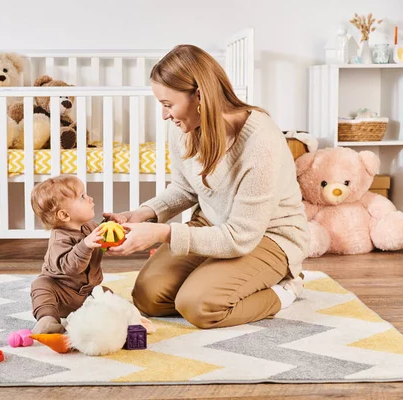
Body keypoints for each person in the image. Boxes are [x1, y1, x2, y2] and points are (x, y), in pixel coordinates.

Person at [103, 44, 310, 329]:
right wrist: (142, 214)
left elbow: (240, 237)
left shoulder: (261, 143)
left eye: (167, 104)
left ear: (199, 96)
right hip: (212, 225)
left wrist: (161, 233)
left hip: (266, 236)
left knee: (200, 306)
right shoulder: (184, 128)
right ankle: (214, 275)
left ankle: (284, 290)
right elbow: (185, 188)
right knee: (148, 297)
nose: (164, 115)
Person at [30, 175, 105, 334]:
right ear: (64, 215)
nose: (90, 198)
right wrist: (85, 245)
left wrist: (114, 227)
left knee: (106, 294)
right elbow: (70, 267)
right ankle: (48, 319)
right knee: (41, 285)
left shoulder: (89, 227)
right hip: (61, 294)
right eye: (83, 196)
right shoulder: (59, 239)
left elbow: (105, 241)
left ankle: (115, 318)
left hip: (88, 293)